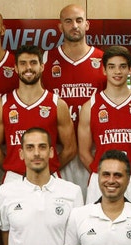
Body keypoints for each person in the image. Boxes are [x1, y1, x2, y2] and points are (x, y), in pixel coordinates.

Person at [78, 46, 131, 207]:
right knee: (97, 229)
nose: (117, 71)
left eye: (123, 66)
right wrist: (102, 174)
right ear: (104, 70)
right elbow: (83, 153)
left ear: (130, 69)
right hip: (101, 181)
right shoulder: (90, 106)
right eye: (112, 67)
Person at [42, 4, 106, 198]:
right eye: (68, 21)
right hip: (60, 151)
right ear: (60, 26)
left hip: (94, 150)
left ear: (87, 25)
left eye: (79, 20)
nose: (74, 26)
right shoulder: (45, 59)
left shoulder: (104, 60)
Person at [0, 43, 76, 184]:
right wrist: (13, 167)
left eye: (33, 63)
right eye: (23, 63)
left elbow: (70, 148)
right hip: (14, 179)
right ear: (16, 68)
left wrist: (50, 167)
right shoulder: (2, 104)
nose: (28, 68)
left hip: (49, 177)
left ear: (42, 66)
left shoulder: (57, 104)